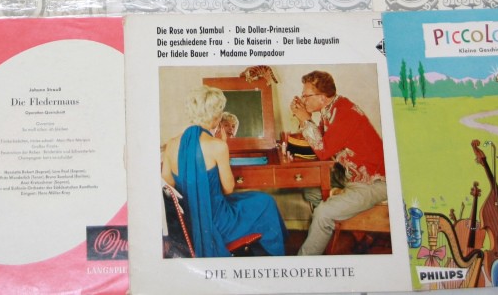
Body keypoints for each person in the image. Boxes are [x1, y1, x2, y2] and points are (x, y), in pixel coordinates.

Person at [161, 85, 286, 256]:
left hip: (189, 223)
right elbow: (228, 189)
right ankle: (273, 257)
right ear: (216, 116)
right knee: (265, 201)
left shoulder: (171, 145)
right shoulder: (218, 146)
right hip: (218, 222)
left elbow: (168, 187)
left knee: (253, 200)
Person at [289, 71, 386, 256]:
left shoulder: (345, 113)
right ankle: (356, 234)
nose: (303, 100)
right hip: (351, 176)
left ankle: (305, 261)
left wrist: (305, 119)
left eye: (306, 96)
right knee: (310, 189)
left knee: (323, 213)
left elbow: (323, 152)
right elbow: (320, 142)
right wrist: (305, 118)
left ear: (322, 97)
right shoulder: (331, 110)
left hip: (373, 182)